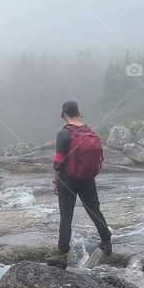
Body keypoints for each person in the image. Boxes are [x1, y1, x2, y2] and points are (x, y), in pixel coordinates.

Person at [51, 100, 112, 266]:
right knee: (94, 211)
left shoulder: (63, 133)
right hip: (87, 178)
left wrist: (55, 180)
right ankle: (106, 241)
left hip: (68, 179)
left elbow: (58, 161)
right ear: (78, 113)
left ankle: (62, 256)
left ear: (63, 114)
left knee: (66, 217)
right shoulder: (89, 130)